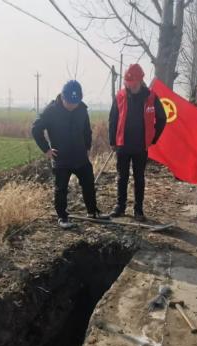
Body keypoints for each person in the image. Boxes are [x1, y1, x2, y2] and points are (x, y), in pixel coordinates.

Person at [32, 80, 109, 229]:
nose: (73, 106)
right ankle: (62, 217)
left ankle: (92, 211)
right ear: (62, 97)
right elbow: (36, 129)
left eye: (76, 102)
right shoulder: (51, 110)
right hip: (61, 157)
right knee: (61, 188)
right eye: (69, 102)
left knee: (88, 183)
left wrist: (87, 146)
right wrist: (46, 149)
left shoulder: (82, 109)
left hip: (80, 155)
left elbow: (87, 129)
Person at [108, 64, 167, 222]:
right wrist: (112, 140)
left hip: (141, 145)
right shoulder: (120, 96)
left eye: (133, 83)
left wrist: (153, 138)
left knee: (139, 178)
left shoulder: (151, 97)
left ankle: (138, 210)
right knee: (122, 177)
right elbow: (113, 119)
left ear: (141, 81)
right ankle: (120, 206)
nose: (130, 86)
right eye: (128, 83)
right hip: (122, 144)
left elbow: (162, 118)